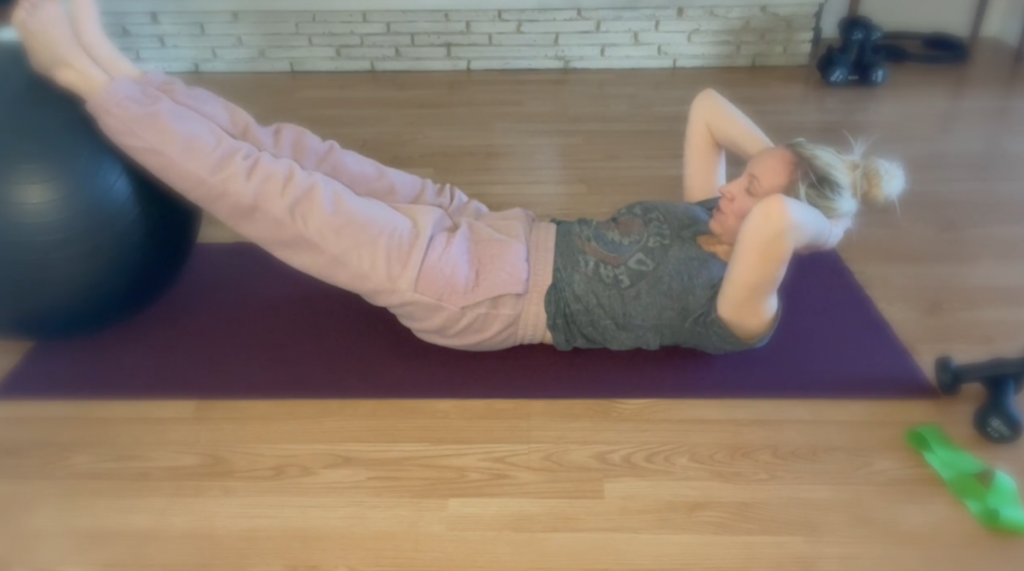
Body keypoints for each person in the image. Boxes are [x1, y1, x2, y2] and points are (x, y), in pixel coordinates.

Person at [9, 0, 905, 354]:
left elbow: (791, 228)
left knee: (272, 191)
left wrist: (816, 203)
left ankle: (87, 80)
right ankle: (123, 74)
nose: (736, 191)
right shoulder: (719, 213)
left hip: (475, 294)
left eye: (756, 194)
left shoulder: (746, 307)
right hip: (485, 226)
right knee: (297, 150)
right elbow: (709, 105)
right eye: (746, 180)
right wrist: (779, 168)